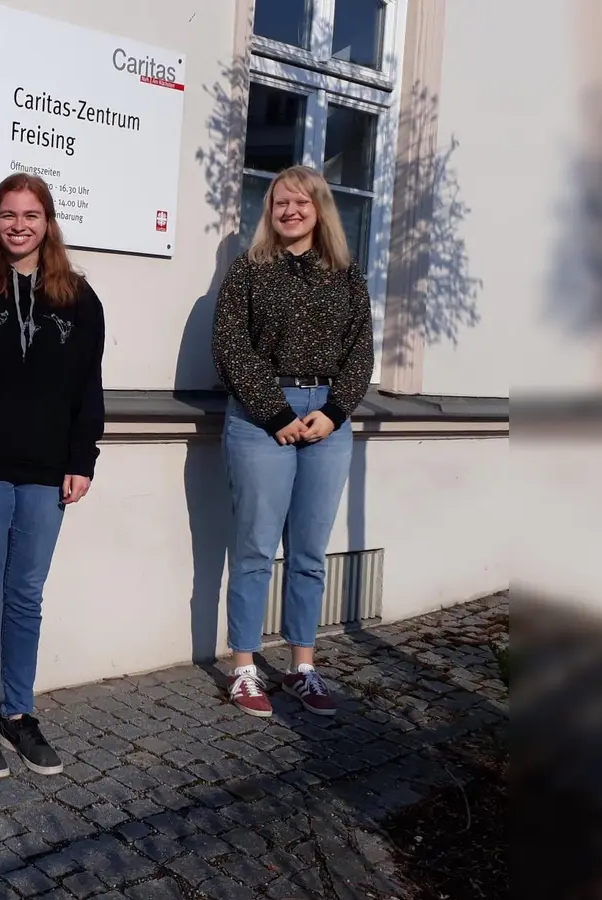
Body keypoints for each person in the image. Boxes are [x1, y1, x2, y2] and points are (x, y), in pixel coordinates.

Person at [0, 172, 106, 779]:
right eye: (8, 214)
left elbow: (89, 389)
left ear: (48, 223)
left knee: (26, 595)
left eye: (31, 215)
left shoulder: (80, 300)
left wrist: (82, 460)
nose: (19, 225)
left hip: (46, 472)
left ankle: (20, 713)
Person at [211, 165, 374, 719]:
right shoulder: (249, 271)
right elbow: (230, 347)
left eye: (301, 202)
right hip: (262, 418)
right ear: (270, 211)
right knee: (256, 547)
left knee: (308, 554)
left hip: (328, 420)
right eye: (280, 202)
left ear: (319, 209)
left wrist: (332, 412)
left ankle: (303, 666)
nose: (289, 211)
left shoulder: (347, 276)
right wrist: (275, 411)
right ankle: (244, 668)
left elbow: (361, 353)